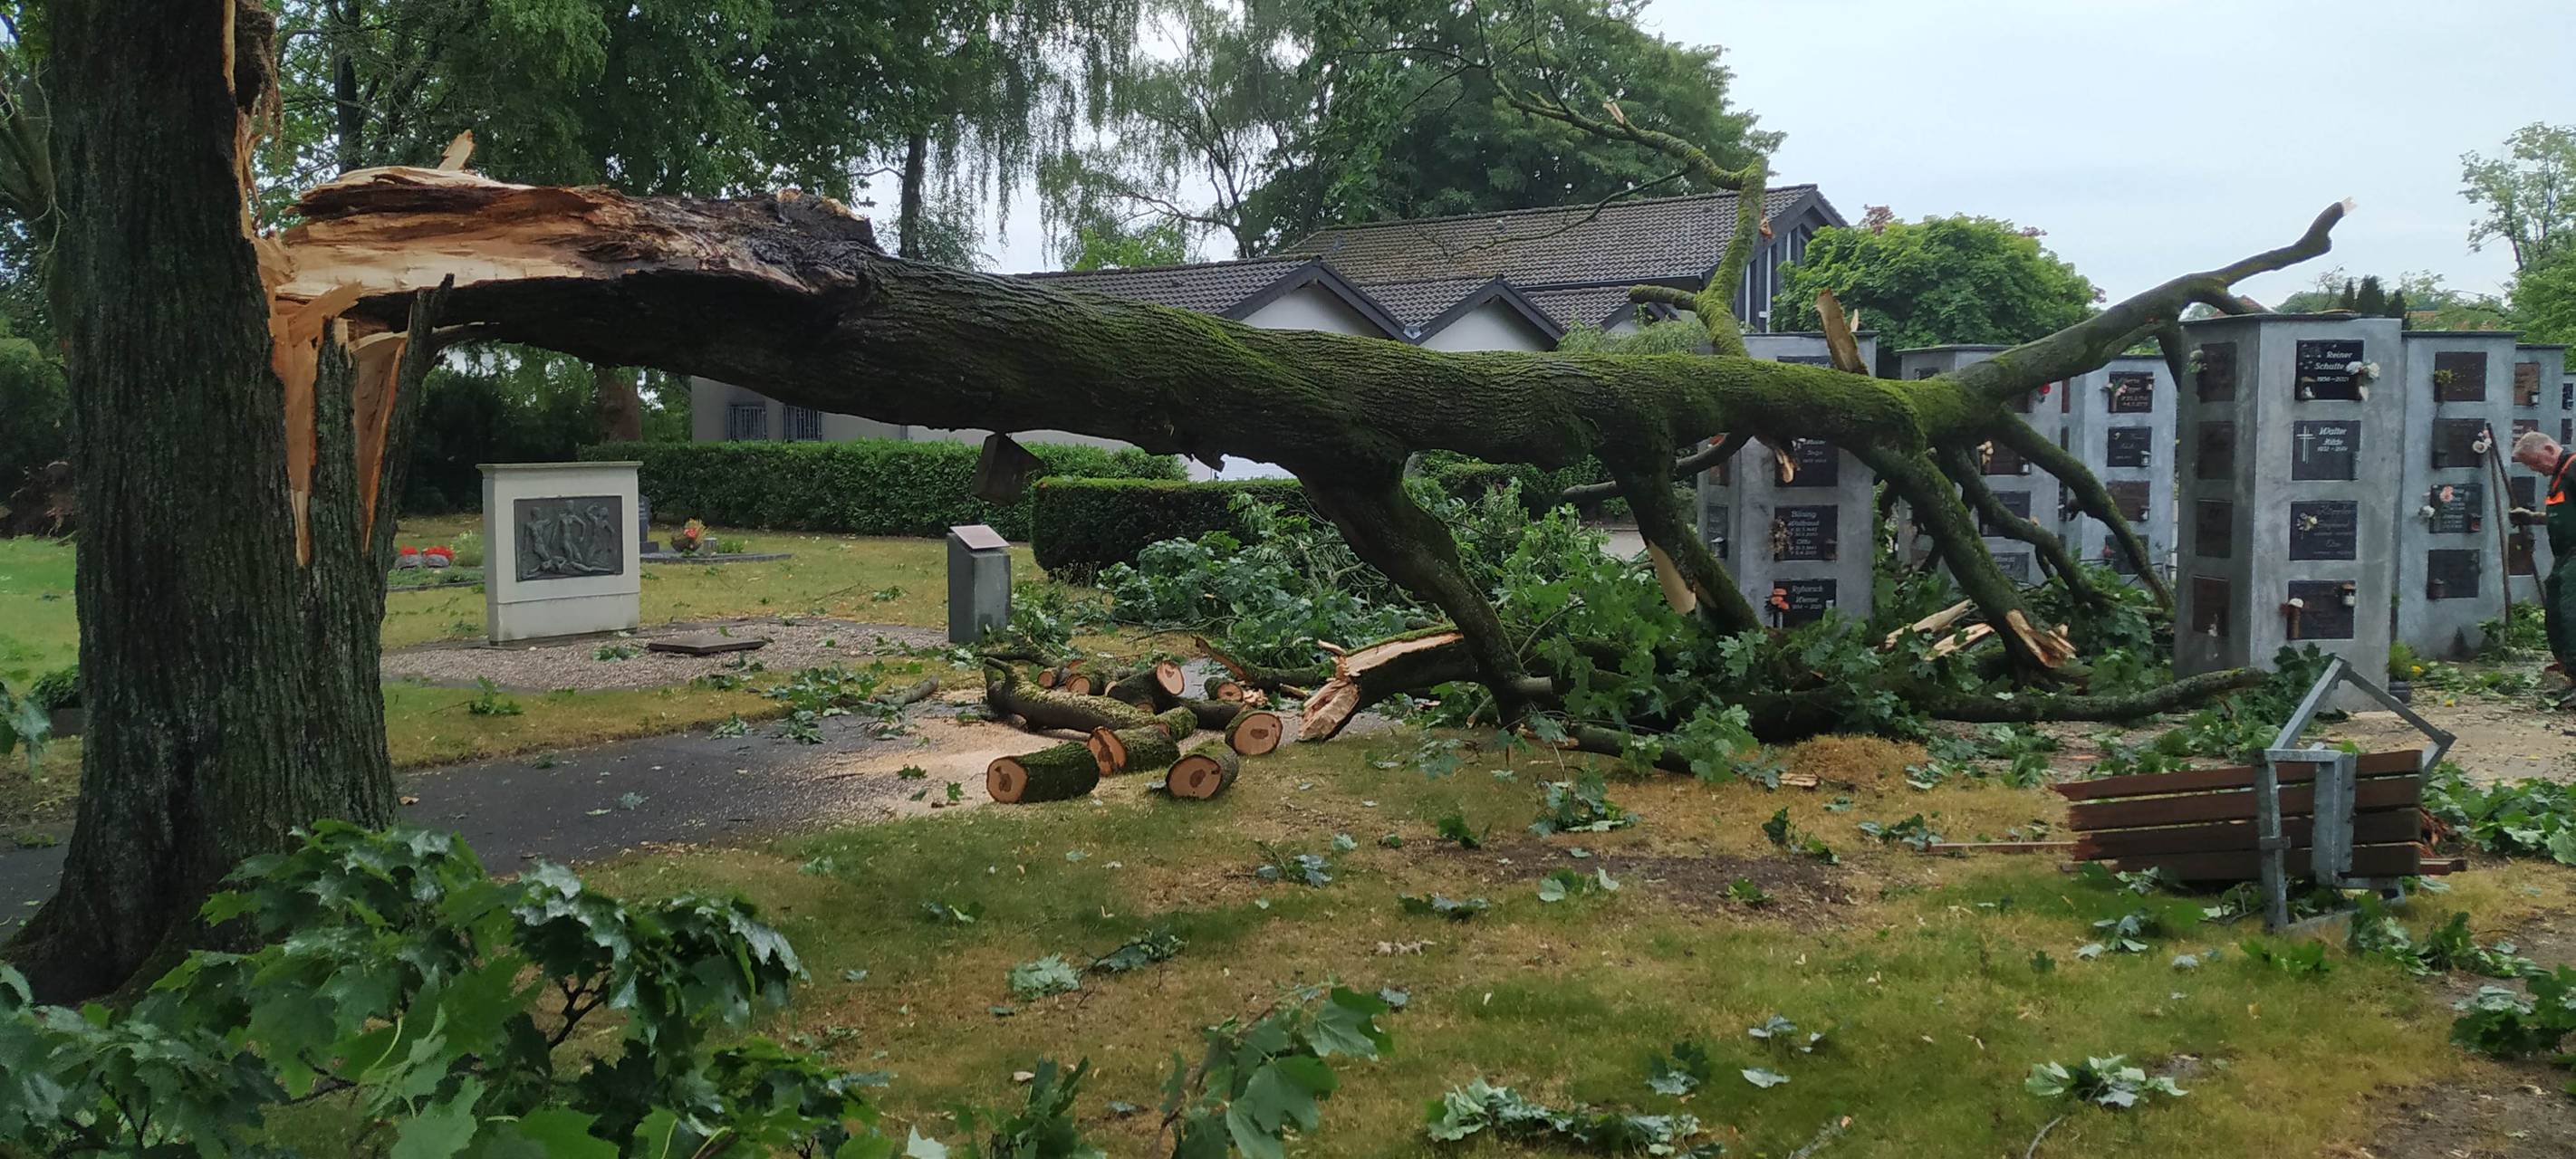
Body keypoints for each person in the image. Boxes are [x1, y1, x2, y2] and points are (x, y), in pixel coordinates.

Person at [2509, 429, 2576, 703]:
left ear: (2549, 449)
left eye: (2534, 462)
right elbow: (2564, 515)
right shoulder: (2559, 477)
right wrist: (2533, 518)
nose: (2534, 469)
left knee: (2570, 614)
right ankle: (2571, 675)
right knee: (2556, 614)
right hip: (2565, 556)